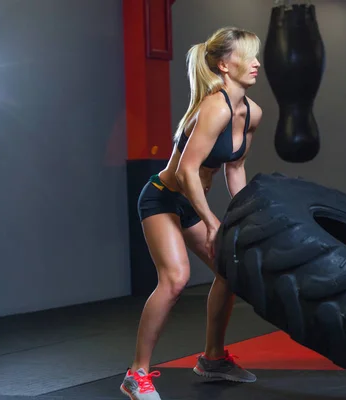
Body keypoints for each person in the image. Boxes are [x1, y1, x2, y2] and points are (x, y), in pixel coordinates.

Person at [120, 26, 263, 400]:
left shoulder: (251, 113)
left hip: (187, 203)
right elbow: (185, 171)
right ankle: (136, 374)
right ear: (223, 65)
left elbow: (234, 169)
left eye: (256, 55)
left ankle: (213, 358)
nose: (257, 64)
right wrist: (214, 221)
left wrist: (244, 214)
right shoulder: (215, 106)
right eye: (248, 57)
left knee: (228, 273)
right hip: (162, 198)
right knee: (176, 278)